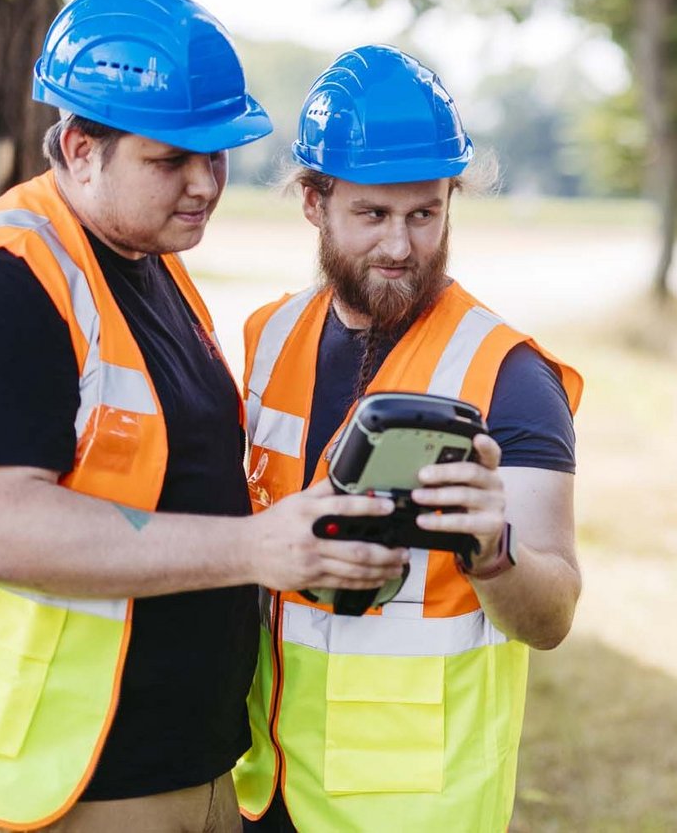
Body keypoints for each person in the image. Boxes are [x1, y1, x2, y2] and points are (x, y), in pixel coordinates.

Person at [0, 0, 404, 833]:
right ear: (81, 148)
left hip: (179, 769)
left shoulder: (146, 263)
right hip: (44, 788)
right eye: (171, 160)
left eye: (218, 155)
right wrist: (255, 549)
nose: (204, 184)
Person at [234, 45, 582, 833]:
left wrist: (493, 549)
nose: (401, 245)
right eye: (373, 214)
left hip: (416, 807)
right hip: (267, 785)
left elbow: (553, 613)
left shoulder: (510, 374)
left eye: (425, 214)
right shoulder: (268, 336)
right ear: (313, 203)